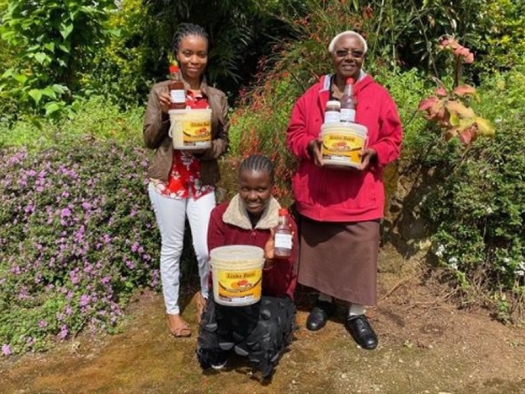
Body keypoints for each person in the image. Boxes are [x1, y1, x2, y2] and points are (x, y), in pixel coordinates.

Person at [286, 31, 402, 350]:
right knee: (323, 251)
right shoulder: (313, 95)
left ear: (363, 58)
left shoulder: (378, 95)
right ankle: (323, 300)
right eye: (342, 52)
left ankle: (355, 312)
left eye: (356, 53)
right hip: (320, 192)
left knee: (359, 249)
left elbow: (393, 138)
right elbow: (294, 131)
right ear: (332, 56)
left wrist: (375, 152)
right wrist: (309, 144)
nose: (349, 58)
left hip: (359, 193)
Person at [143, 23, 229, 338]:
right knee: (172, 247)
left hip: (201, 182)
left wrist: (208, 149)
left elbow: (224, 142)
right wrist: (165, 115)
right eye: (188, 53)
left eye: (201, 54)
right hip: (169, 182)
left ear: (207, 57)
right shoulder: (161, 91)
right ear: (178, 54)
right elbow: (150, 140)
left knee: (207, 248)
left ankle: (205, 296)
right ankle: (172, 311)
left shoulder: (217, 98)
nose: (194, 59)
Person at [197, 155, 298, 379]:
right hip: (231, 292)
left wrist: (269, 262)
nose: (252, 196)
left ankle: (248, 337)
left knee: (265, 334)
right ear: (238, 186)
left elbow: (282, 285)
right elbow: (217, 273)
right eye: (245, 189)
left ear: (272, 188)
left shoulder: (284, 226)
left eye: (261, 189)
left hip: (268, 296)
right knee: (210, 341)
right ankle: (234, 337)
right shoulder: (219, 217)